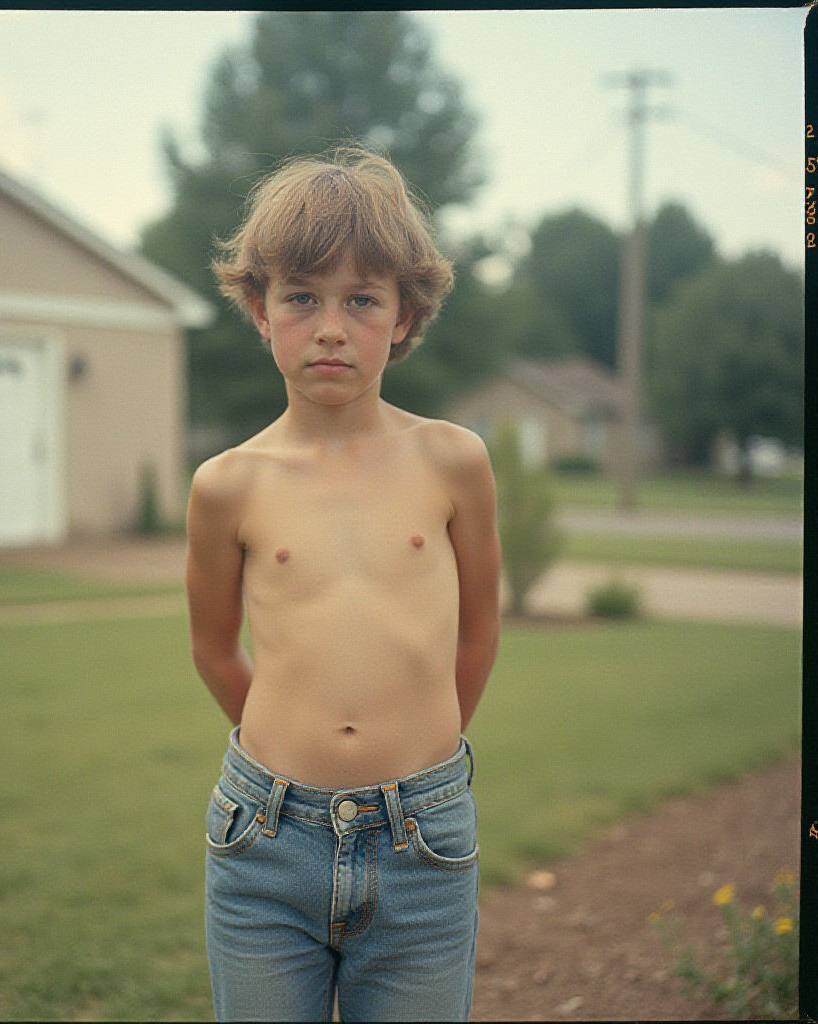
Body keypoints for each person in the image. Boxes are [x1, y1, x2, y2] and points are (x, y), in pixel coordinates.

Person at [184, 145, 501, 1023]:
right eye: (302, 297)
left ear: (404, 314)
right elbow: (214, 647)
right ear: (260, 310)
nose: (331, 326)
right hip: (265, 846)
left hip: (422, 845)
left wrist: (421, 755)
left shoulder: (453, 462)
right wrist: (287, 750)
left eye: (361, 299)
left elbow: (478, 632)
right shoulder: (226, 485)